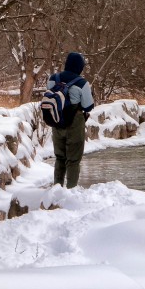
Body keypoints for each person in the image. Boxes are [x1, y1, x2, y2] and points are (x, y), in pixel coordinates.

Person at [48, 52, 94, 188]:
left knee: (60, 157)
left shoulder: (53, 79)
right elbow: (88, 106)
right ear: (80, 67)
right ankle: (71, 191)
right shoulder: (82, 83)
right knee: (73, 160)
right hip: (75, 123)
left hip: (56, 121)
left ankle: (57, 189)